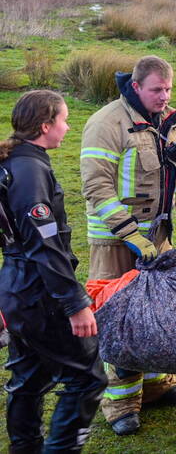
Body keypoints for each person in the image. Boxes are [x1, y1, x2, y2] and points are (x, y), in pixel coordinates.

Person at [80, 56, 176, 435]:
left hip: (158, 238)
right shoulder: (106, 123)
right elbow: (96, 187)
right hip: (115, 241)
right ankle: (120, 403)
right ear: (136, 87)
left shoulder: (170, 122)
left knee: (157, 315)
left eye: (168, 89)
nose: (164, 96)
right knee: (120, 320)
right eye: (156, 90)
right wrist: (129, 233)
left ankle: (156, 384)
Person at [0, 90, 107, 453]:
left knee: (28, 378)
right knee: (87, 378)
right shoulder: (29, 172)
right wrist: (75, 303)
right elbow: (44, 246)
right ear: (45, 126)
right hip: (39, 293)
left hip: (17, 289)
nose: (68, 125)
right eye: (63, 119)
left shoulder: (14, 162)